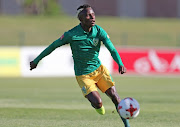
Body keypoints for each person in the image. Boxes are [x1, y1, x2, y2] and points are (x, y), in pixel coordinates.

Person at [30, 4, 130, 127]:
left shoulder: (99, 31)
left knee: (115, 97)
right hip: (83, 75)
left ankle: (127, 125)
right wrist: (36, 60)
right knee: (98, 103)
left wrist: (120, 63)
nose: (93, 17)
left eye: (93, 14)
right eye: (89, 15)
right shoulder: (72, 34)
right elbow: (53, 46)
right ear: (81, 19)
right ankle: (98, 106)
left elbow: (112, 50)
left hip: (99, 70)